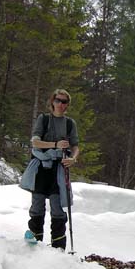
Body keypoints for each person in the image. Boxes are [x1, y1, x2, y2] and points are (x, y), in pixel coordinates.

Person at [27, 88, 79, 249]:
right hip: (41, 166)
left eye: (64, 102)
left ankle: (58, 247)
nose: (60, 104)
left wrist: (73, 158)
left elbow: (75, 145)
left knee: (57, 207)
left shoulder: (70, 123)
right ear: (52, 101)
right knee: (37, 205)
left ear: (67, 104)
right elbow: (35, 142)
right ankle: (35, 242)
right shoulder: (43, 119)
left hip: (59, 167)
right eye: (58, 100)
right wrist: (55, 145)